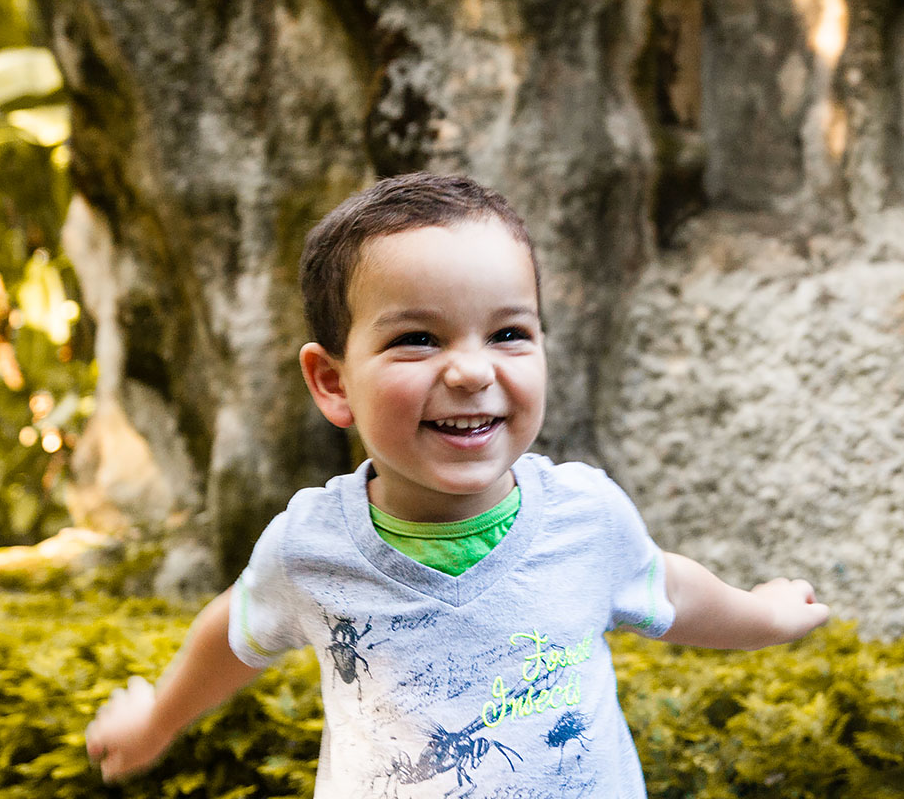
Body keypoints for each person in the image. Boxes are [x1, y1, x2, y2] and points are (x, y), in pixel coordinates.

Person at [85, 172, 830, 797]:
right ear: (332, 381)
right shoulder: (310, 548)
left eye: (509, 333)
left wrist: (763, 617)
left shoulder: (586, 517)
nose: (473, 371)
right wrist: (157, 722)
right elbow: (233, 633)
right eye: (418, 338)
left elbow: (667, 590)